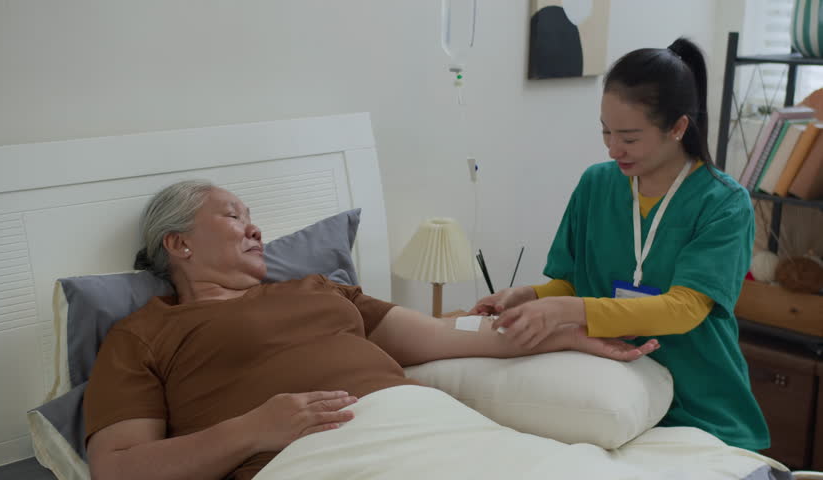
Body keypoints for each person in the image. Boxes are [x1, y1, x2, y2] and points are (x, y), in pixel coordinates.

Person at [83, 180, 659, 480]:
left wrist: (565, 334)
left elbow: (449, 335)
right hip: (310, 457)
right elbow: (118, 469)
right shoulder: (141, 335)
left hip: (429, 426)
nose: (256, 229)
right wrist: (253, 429)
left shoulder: (318, 288)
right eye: (234, 215)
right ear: (178, 243)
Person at [471, 37, 770, 451]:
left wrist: (567, 309)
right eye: (606, 132)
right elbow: (577, 281)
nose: (613, 149)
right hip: (604, 387)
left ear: (678, 127)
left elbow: (685, 309)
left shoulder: (723, 202)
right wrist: (529, 296)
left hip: (699, 400)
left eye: (628, 138)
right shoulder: (596, 184)